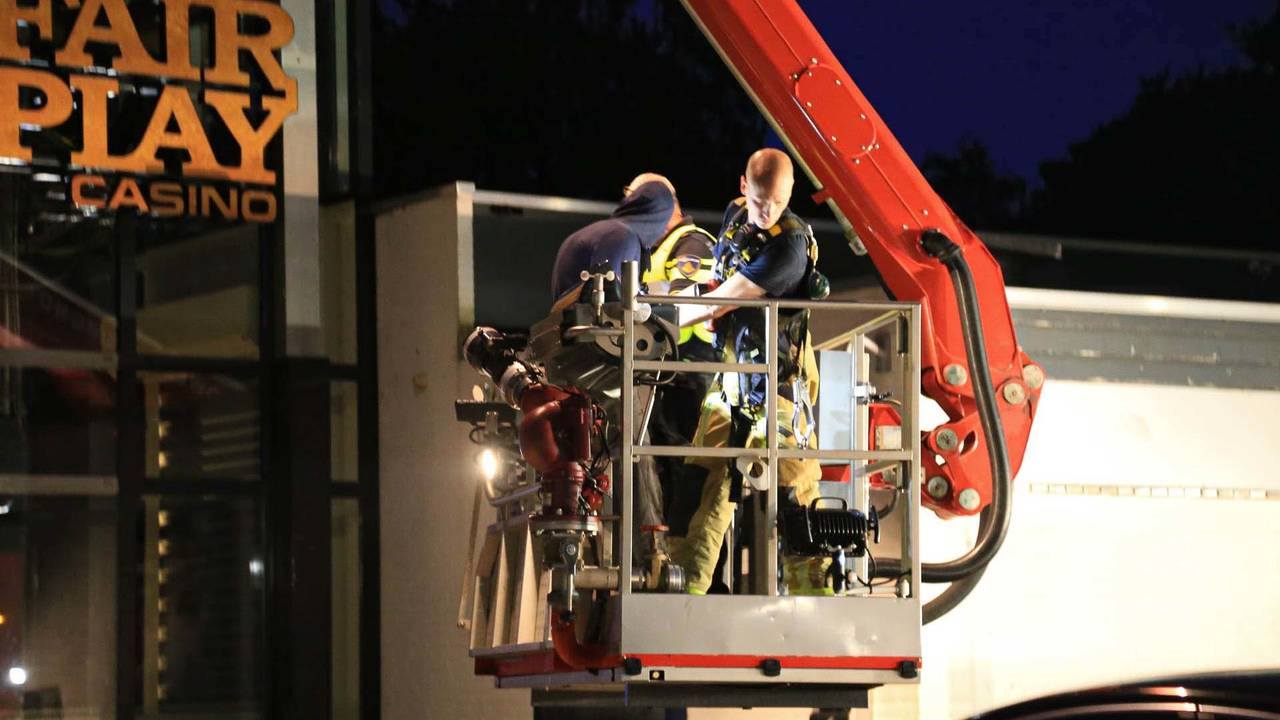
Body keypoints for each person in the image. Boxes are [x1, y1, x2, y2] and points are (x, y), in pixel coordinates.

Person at [670, 148, 828, 595]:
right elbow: (717, 282)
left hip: (780, 383)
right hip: (735, 376)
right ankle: (683, 589)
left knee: (795, 493)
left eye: (776, 203)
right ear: (744, 187)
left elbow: (719, 301)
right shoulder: (736, 216)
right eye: (759, 200)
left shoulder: (790, 247)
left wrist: (654, 314)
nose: (766, 211)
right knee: (703, 480)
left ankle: (815, 598)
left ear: (790, 194)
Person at [550, 177, 675, 304]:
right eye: (665, 221)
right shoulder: (623, 236)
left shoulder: (612, 231)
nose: (664, 230)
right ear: (658, 217)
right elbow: (611, 300)